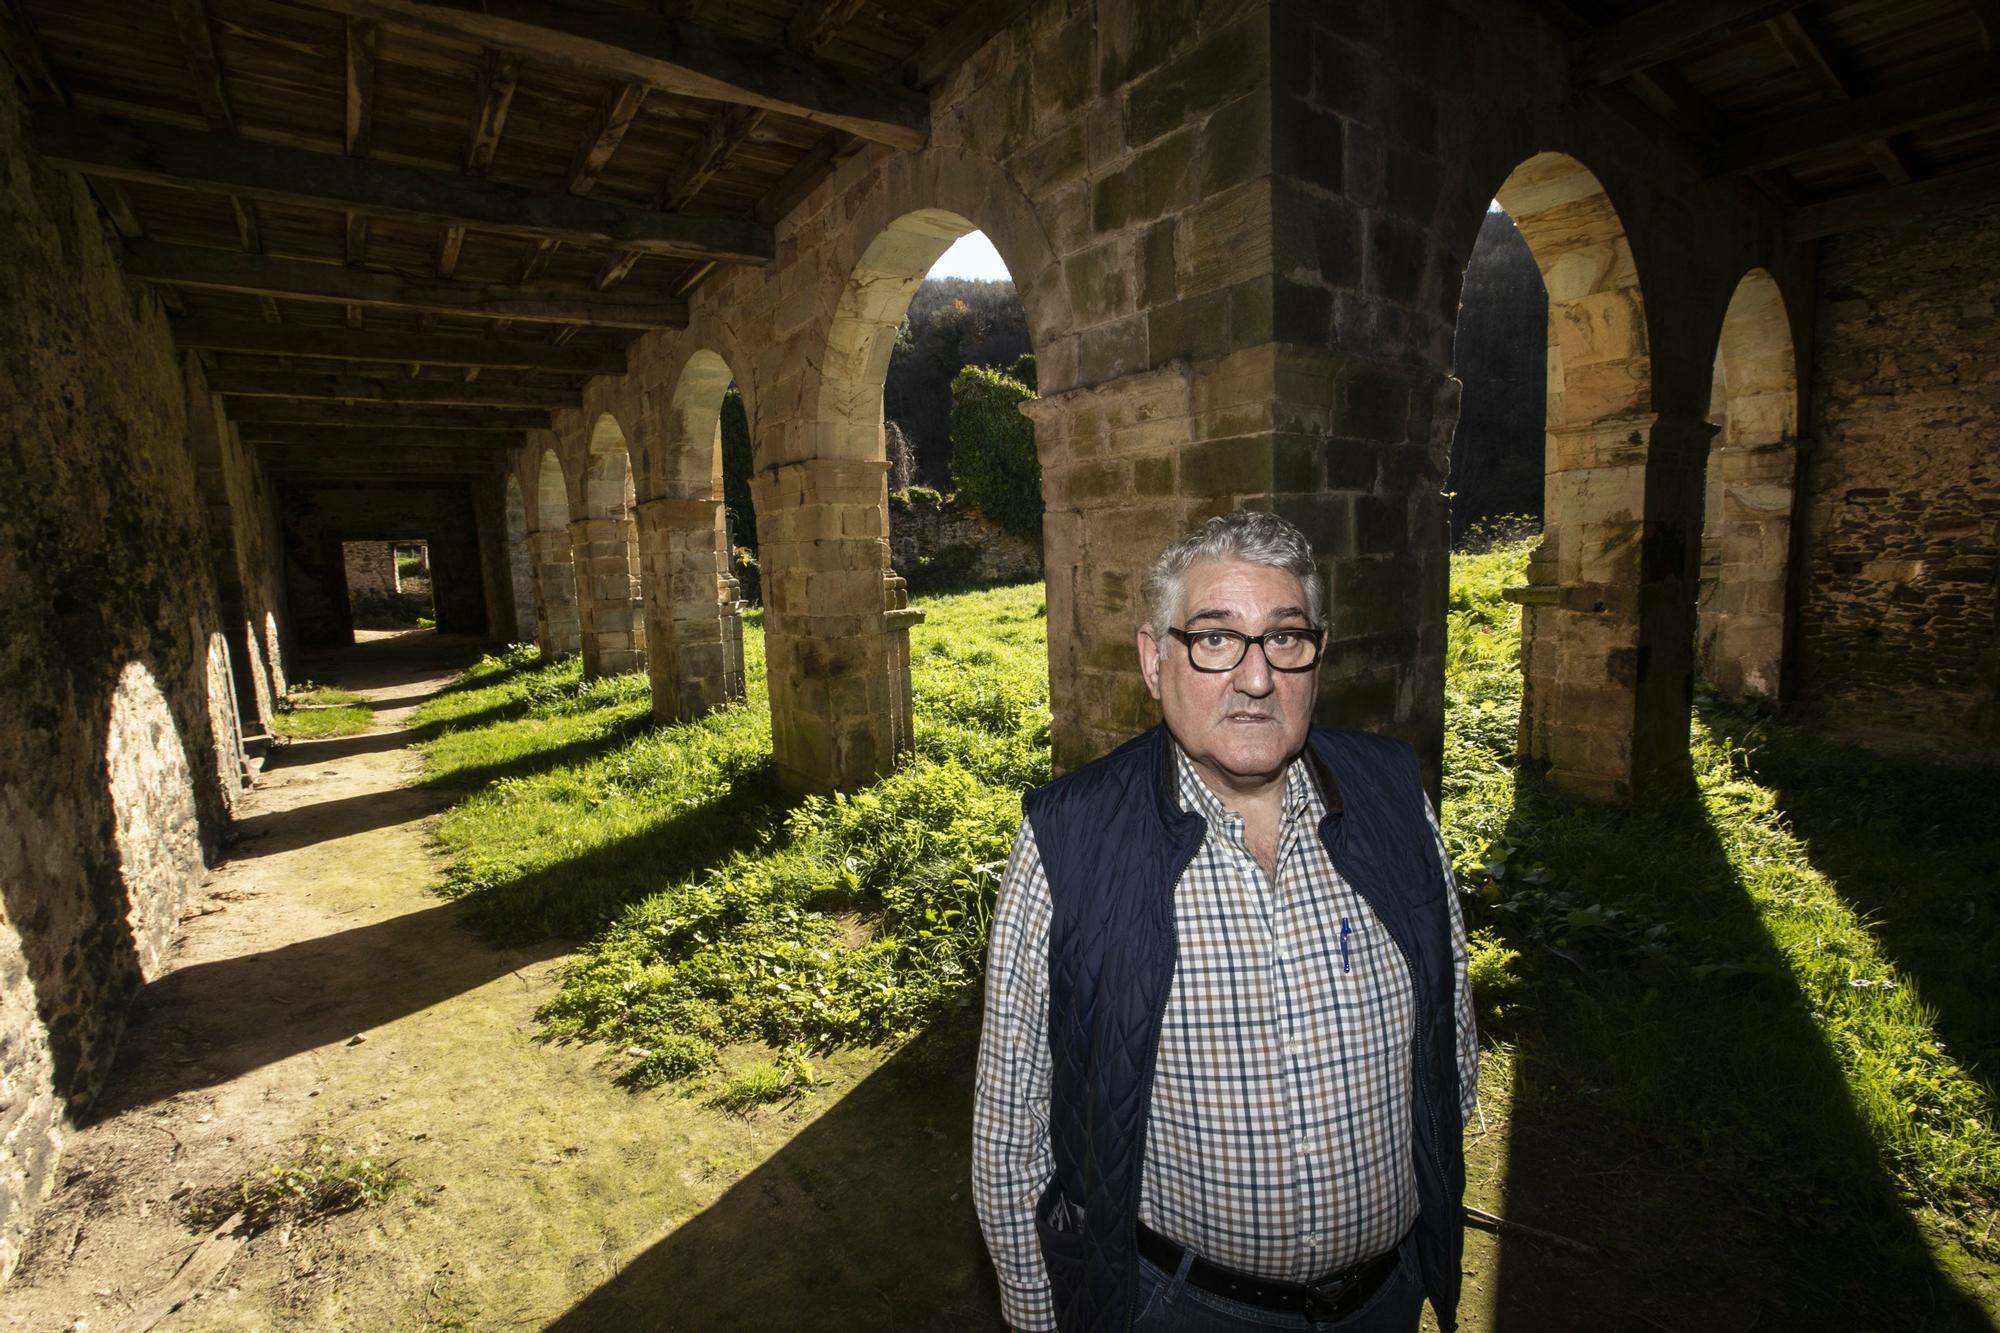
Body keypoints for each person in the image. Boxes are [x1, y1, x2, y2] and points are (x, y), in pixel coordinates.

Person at [972, 510, 1477, 1332]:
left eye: (1285, 639)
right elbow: (1011, 1131)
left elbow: (1451, 1030)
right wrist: (1039, 1319)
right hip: (1184, 1308)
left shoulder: (1392, 795)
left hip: (1385, 1301)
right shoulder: (1071, 838)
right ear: (1153, 658)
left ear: (1318, 654)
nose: (1254, 677)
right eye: (1214, 638)